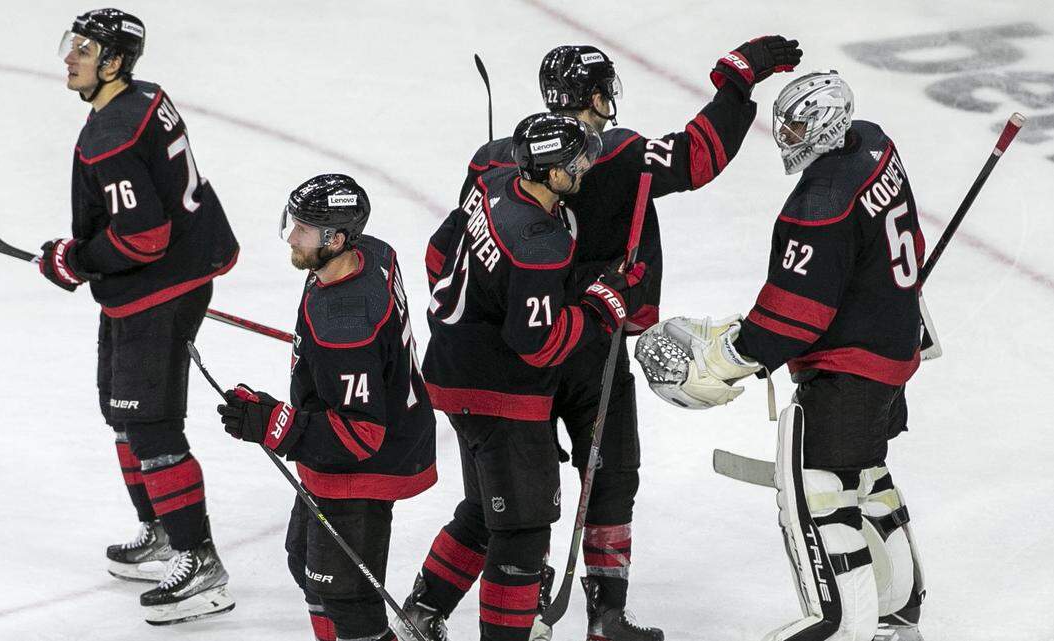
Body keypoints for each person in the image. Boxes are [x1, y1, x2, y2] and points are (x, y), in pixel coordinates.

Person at [412, 38, 801, 640]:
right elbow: (701, 153)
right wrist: (737, 78)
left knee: (501, 507)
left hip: (517, 356)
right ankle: (604, 615)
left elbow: (444, 252)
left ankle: (432, 610)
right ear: (598, 95)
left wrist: (470, 322)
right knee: (605, 478)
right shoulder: (620, 155)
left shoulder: (496, 159)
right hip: (587, 346)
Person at [636, 71, 926, 641]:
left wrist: (732, 354)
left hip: (850, 368)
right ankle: (898, 608)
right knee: (867, 477)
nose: (786, 134)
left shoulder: (820, 204)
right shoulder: (873, 142)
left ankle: (841, 625)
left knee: (822, 490)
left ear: (824, 125)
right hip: (895, 343)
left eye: (796, 123)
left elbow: (796, 312)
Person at [401, 112, 650, 641]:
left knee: (484, 508)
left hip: (453, 373)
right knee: (522, 528)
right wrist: (599, 309)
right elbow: (539, 345)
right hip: (498, 393)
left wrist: (472, 323)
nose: (584, 168)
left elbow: (437, 252)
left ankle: (420, 614)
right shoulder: (538, 240)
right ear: (551, 174)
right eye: (575, 163)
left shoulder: (492, 182)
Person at [41, 8, 239, 624]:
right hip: (161, 278)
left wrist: (76, 259)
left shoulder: (113, 136)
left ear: (115, 62)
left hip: (160, 286)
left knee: (149, 424)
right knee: (121, 413)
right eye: (72, 43)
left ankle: (198, 561)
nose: (69, 56)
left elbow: (143, 238)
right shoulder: (146, 98)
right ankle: (159, 531)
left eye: (84, 48)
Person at [217, 174, 437, 641]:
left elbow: (359, 435)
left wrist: (271, 422)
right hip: (380, 429)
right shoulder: (372, 252)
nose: (291, 237)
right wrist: (319, 356)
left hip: (368, 464)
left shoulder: (345, 322)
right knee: (305, 561)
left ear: (336, 239)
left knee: (346, 594)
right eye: (293, 222)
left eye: (303, 229)